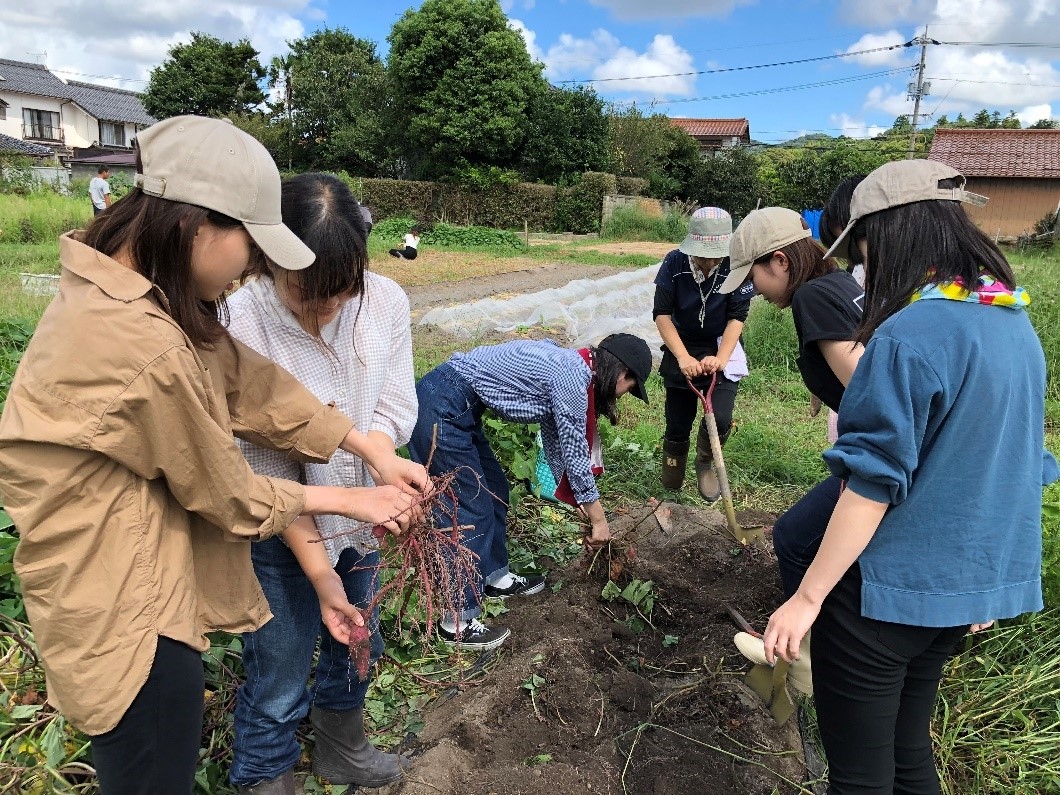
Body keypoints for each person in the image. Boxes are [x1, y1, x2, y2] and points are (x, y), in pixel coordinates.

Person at [0, 116, 428, 795]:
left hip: (140, 571)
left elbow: (249, 382)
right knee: (155, 770)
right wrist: (352, 496)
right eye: (251, 248)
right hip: (120, 606)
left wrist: (362, 449)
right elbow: (226, 490)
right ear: (199, 225)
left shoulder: (142, 295)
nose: (251, 270)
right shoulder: (145, 343)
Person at [762, 159, 1058, 794]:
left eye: (865, 245)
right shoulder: (1013, 323)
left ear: (890, 233)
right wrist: (979, 586)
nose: (866, 263)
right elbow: (1015, 464)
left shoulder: (908, 334)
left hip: (884, 597)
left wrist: (806, 599)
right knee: (908, 752)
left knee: (860, 778)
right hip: (954, 600)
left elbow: (871, 482)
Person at [226, 173, 417, 793]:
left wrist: (381, 465)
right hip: (281, 522)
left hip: (365, 515)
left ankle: (342, 746)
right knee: (279, 666)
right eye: (304, 293)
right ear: (269, 260)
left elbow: (391, 402)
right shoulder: (241, 314)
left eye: (338, 293)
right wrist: (318, 570)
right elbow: (260, 464)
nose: (322, 308)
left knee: (357, 641)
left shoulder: (385, 301)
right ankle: (265, 773)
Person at [407, 334, 653, 649]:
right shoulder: (572, 378)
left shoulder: (574, 367)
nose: (624, 393)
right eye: (630, 387)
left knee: (494, 490)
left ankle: (495, 578)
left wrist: (579, 496)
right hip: (442, 405)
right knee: (468, 507)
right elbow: (577, 455)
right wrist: (599, 519)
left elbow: (556, 437)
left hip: (457, 404)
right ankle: (456, 621)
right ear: (622, 374)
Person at [716, 207, 865, 695]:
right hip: (895, 450)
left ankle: (801, 656)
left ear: (779, 261)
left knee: (797, 538)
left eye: (754, 275)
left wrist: (858, 456)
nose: (754, 288)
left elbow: (871, 389)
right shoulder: (841, 282)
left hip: (884, 456)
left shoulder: (814, 297)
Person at [654, 206, 753, 499]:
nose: (710, 262)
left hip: (721, 343)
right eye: (703, 255)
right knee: (677, 421)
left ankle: (705, 462)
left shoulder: (736, 265)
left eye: (716, 255)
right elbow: (662, 314)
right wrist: (683, 358)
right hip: (681, 342)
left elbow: (737, 317)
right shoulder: (674, 262)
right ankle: (673, 470)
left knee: (720, 418)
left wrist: (720, 359)